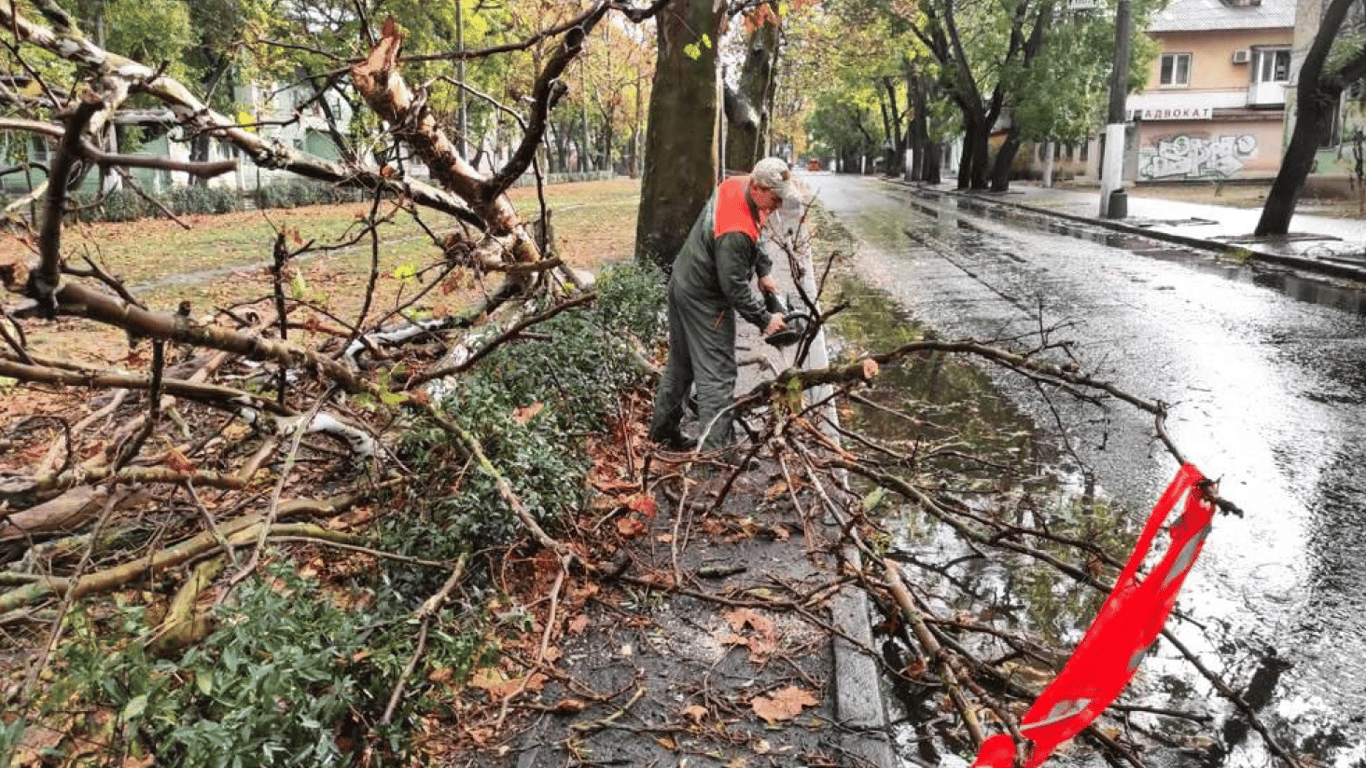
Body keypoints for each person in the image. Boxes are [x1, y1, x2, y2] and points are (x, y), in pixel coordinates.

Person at [649, 157, 794, 453]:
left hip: (683, 282)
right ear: (758, 188)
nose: (778, 205)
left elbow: (758, 233)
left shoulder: (737, 186)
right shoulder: (735, 231)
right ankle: (716, 453)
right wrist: (765, 319)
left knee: (681, 365)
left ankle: (663, 433)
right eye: (775, 198)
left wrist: (764, 272)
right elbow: (734, 288)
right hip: (704, 299)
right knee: (718, 374)